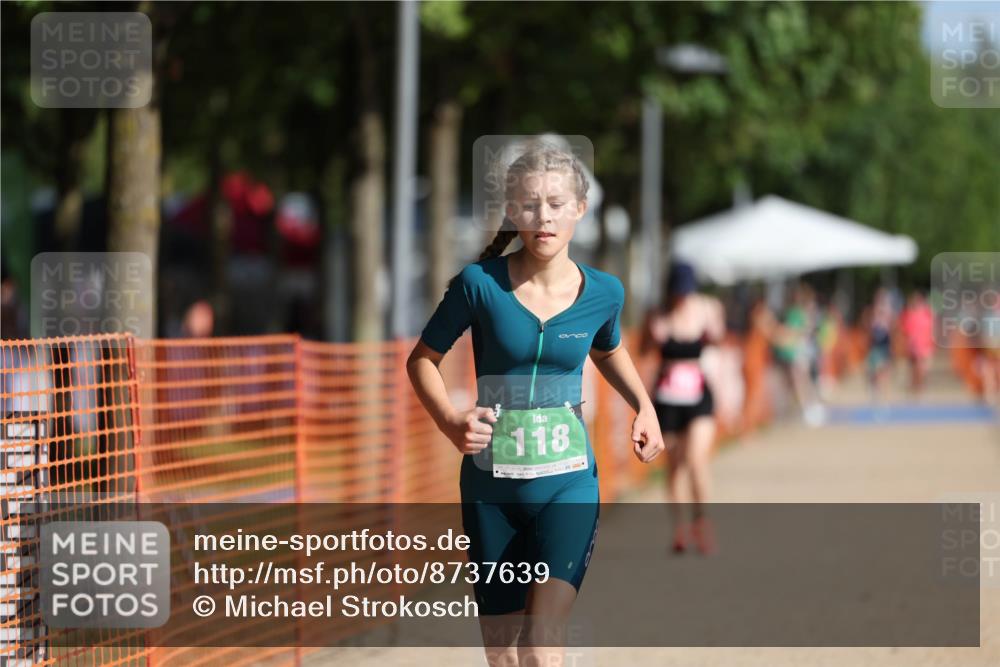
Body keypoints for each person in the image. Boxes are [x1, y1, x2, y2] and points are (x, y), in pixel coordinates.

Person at [406, 144, 664, 667]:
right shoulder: (479, 285)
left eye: (554, 203)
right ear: (511, 210)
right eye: (527, 204)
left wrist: (645, 405)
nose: (542, 216)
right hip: (490, 490)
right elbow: (422, 361)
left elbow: (609, 348)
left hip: (568, 482)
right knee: (504, 656)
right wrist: (451, 421)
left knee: (543, 646)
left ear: (579, 208)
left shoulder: (605, 292)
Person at [640, 262, 725, 555]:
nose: (682, 298)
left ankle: (702, 521)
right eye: (678, 292)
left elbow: (720, 341)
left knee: (697, 459)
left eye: (686, 292)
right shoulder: (658, 314)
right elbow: (641, 350)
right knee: (674, 467)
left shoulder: (707, 309)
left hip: (699, 395)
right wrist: (654, 334)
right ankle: (680, 527)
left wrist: (713, 331)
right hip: (667, 399)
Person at [899, 290, 934, 396]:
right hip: (914, 345)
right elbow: (905, 330)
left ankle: (919, 387)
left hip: (925, 345)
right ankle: (916, 387)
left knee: (923, 368)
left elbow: (932, 328)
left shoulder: (927, 313)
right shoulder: (909, 314)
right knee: (914, 367)